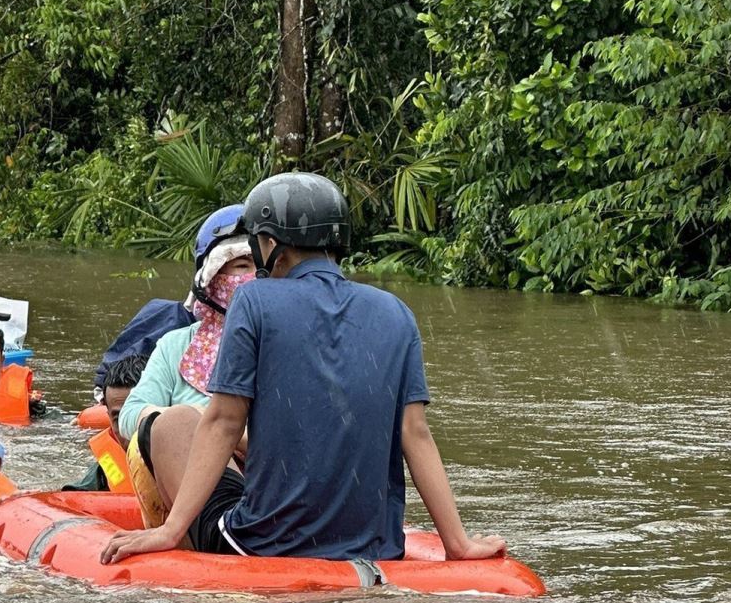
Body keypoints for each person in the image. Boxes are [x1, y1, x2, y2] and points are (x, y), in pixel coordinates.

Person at [102, 172, 506, 566]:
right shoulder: (396, 312)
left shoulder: (255, 302)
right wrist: (458, 544)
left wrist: (170, 531)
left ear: (271, 244)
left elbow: (224, 422)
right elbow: (415, 435)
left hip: (265, 544)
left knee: (174, 423)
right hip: (377, 546)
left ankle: (189, 545)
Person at [115, 204, 255, 446]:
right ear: (212, 276)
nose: (254, 277)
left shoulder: (290, 343)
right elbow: (129, 415)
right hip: (184, 462)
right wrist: (192, 420)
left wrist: (228, 433)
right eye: (242, 266)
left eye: (262, 268)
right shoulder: (175, 345)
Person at [62, 355, 145, 492]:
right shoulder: (104, 471)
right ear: (109, 419)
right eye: (118, 419)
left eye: (137, 416)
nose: (128, 430)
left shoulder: (190, 454)